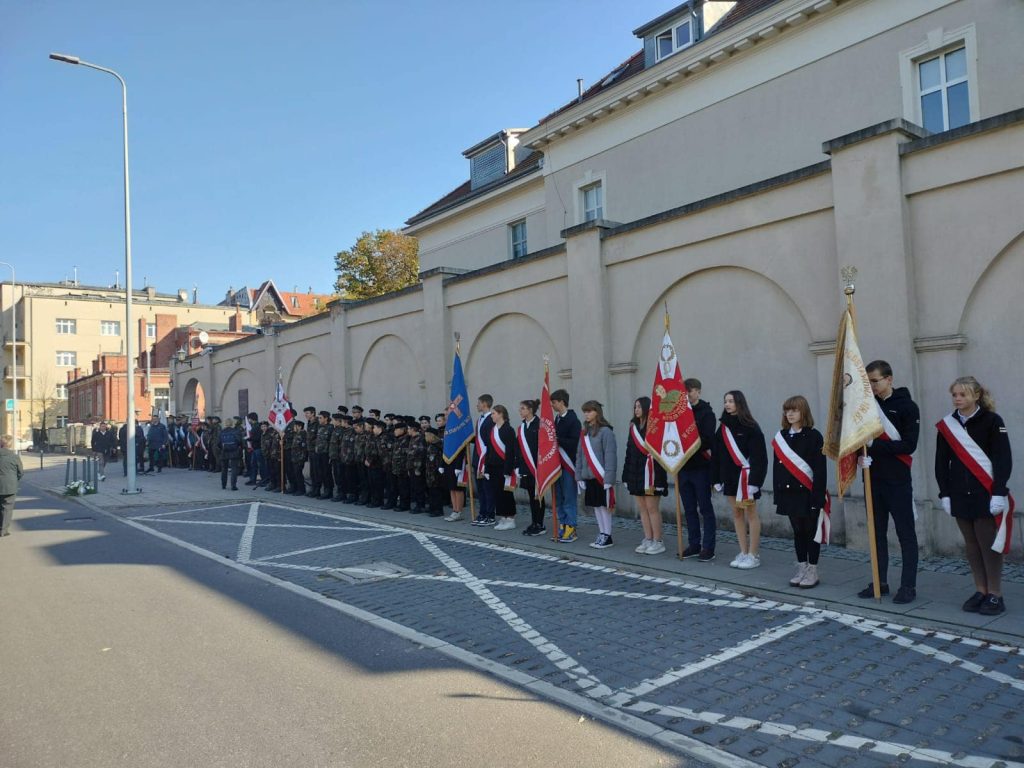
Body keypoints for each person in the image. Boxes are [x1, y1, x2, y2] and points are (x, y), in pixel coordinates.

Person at [935, 376, 1013, 616]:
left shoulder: (992, 421)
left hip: (985, 493)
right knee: (971, 545)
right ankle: (980, 590)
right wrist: (945, 493)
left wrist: (999, 492)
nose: (958, 399)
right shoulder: (947, 426)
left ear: (976, 396)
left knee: (988, 545)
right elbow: (941, 463)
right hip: (959, 494)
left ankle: (995, 594)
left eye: (963, 395)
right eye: (955, 395)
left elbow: (1003, 459)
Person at [855, 360, 921, 604]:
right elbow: (855, 438)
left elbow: (908, 445)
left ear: (889, 379)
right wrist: (859, 457)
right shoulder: (865, 407)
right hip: (872, 478)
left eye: (875, 380)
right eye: (868, 381)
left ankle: (908, 585)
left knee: (905, 534)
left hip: (897, 479)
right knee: (875, 534)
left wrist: (875, 446)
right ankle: (879, 581)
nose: (871, 386)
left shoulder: (907, 407)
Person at [771, 396, 827, 588]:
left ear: (803, 412)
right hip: (788, 494)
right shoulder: (782, 437)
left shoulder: (814, 436)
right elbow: (777, 469)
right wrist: (778, 495)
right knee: (797, 532)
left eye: (794, 410)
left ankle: (813, 570)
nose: (790, 413)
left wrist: (817, 499)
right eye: (787, 410)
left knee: (811, 531)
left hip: (808, 493)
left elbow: (820, 470)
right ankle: (802, 567)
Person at [712, 390, 767, 569]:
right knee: (736, 514)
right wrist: (716, 479)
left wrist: (755, 483)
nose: (727, 404)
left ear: (739, 403)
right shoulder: (722, 428)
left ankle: (753, 554)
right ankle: (743, 552)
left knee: (751, 514)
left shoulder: (751, 426)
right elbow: (717, 455)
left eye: (731, 401)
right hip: (729, 478)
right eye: (725, 401)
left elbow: (760, 457)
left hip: (747, 479)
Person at [622, 396, 667, 555]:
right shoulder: (633, 426)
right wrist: (625, 475)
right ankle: (647, 538)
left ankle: (658, 540)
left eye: (639, 407)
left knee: (652, 507)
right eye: (635, 407)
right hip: (635, 471)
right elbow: (629, 450)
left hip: (652, 472)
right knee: (642, 508)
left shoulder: (654, 426)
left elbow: (661, 452)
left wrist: (661, 478)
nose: (636, 410)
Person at [678, 379, 718, 561]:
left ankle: (708, 547)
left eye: (691, 391)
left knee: (705, 509)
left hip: (700, 467)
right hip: (682, 467)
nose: (688, 394)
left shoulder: (707, 413)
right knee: (688, 509)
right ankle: (694, 544)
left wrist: (688, 444)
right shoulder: (680, 413)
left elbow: (708, 439)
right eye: (686, 391)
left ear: (698, 392)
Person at [576, 400, 618, 549]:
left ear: (597, 413)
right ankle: (601, 533)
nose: (587, 414)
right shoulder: (585, 432)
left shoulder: (605, 431)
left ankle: (608, 535)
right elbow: (580, 455)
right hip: (589, 477)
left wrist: (609, 478)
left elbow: (610, 455)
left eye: (589, 411)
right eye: (585, 411)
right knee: (596, 506)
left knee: (604, 506)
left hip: (601, 476)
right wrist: (579, 476)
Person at [551, 389, 581, 542]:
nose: (552, 405)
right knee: (559, 497)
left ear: (562, 402)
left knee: (569, 497)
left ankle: (571, 526)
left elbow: (574, 443)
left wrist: (558, 439)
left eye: (554, 403)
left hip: (568, 465)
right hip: (557, 465)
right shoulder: (556, 420)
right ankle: (562, 523)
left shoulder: (573, 420)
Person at [517, 399, 547, 536]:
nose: (520, 411)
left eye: (523, 408)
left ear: (530, 410)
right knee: (531, 496)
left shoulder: (539, 425)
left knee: (538, 496)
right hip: (526, 468)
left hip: (537, 467)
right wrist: (518, 466)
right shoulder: (522, 427)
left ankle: (540, 524)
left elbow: (543, 447)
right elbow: (519, 449)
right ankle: (534, 522)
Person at [485, 404, 517, 529]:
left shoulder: (508, 430)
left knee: (506, 493)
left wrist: (508, 469)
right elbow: (489, 450)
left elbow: (510, 451)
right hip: (493, 467)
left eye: (493, 413)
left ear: (501, 414)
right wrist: (486, 468)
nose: (492, 415)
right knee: (497, 493)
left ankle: (510, 518)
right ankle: (503, 517)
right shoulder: (492, 430)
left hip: (504, 467)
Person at [472, 395, 496, 525]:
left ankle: (490, 515)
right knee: (480, 488)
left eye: (479, 403)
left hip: (486, 459)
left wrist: (487, 460)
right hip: (478, 459)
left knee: (488, 489)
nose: (477, 405)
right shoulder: (480, 419)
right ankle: (482, 512)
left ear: (485, 404)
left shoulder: (491, 420)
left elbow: (490, 442)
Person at [0, 435, 24, 537]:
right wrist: (14, 480)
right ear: (10, 444)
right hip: (10, 486)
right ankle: (3, 530)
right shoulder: (14, 457)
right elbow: (21, 472)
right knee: (7, 508)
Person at [219, 417, 243, 490]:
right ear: (232, 423)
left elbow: (218, 443)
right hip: (234, 451)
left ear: (225, 424)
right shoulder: (236, 431)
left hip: (224, 451)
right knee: (234, 469)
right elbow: (239, 441)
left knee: (224, 469)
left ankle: (223, 485)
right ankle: (233, 485)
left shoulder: (222, 432)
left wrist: (223, 448)